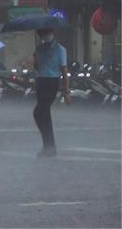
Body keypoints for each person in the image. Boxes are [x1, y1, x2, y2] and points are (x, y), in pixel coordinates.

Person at [33, 28, 71, 158]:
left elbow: (64, 71)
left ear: (51, 33)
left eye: (45, 34)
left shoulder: (60, 49)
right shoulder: (39, 49)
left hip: (52, 82)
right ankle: (48, 145)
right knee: (43, 114)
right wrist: (35, 58)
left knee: (39, 112)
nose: (44, 37)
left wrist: (67, 91)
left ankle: (49, 145)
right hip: (40, 81)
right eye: (41, 35)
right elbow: (37, 67)